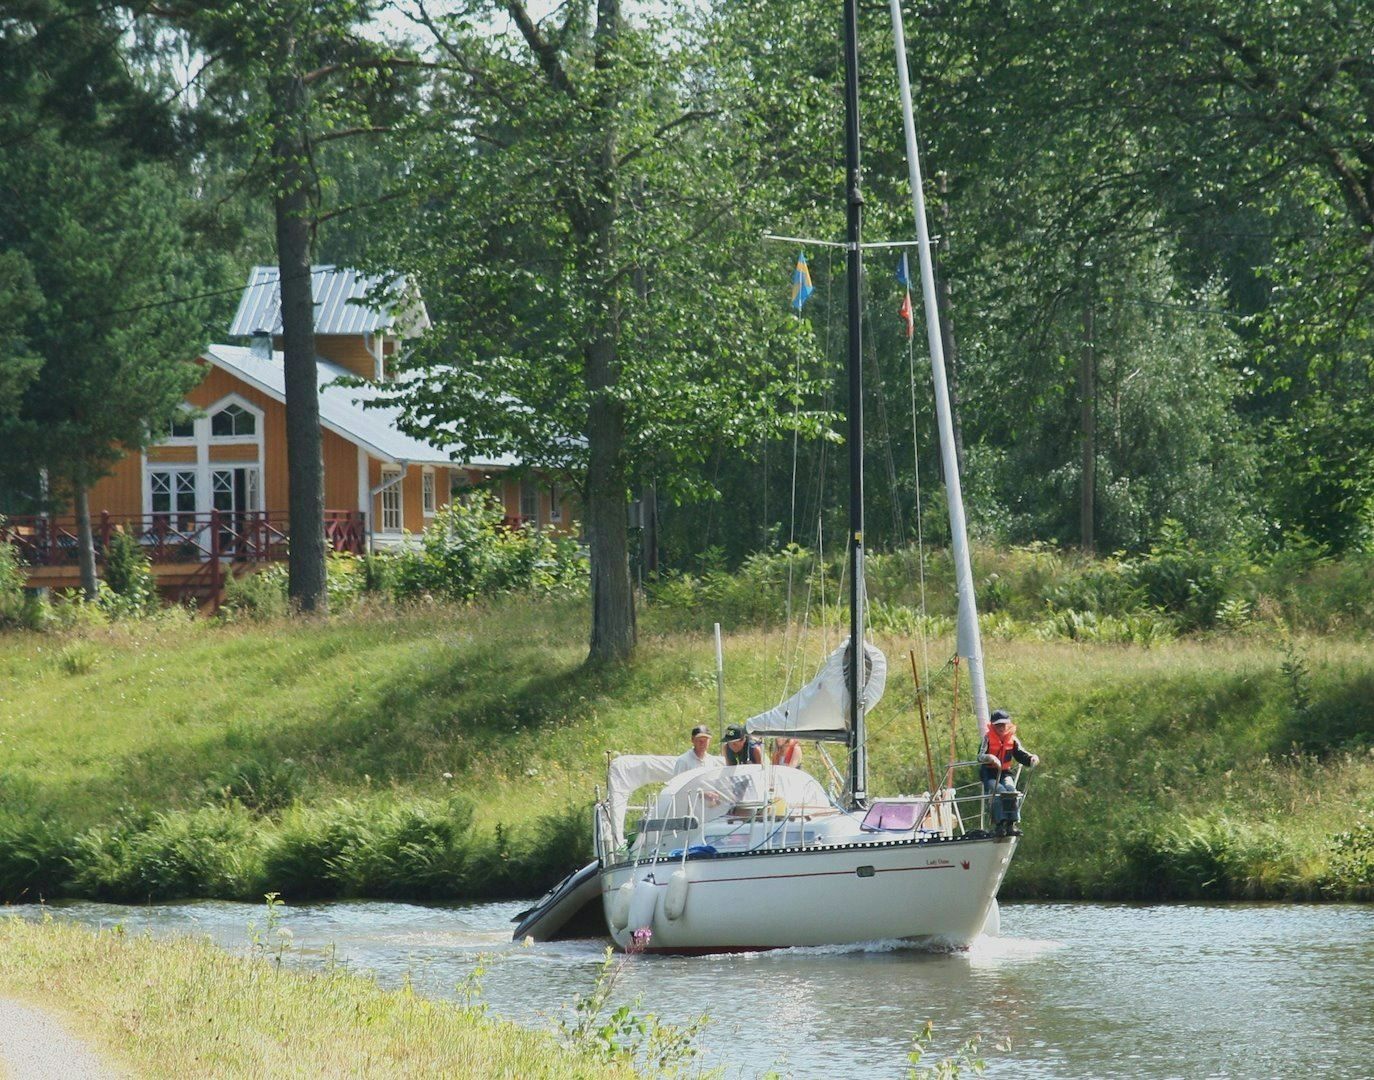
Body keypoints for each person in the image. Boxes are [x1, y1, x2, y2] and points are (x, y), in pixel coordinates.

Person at [978, 709, 1039, 837]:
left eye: (1004, 725)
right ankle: (1000, 824)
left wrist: (1031, 758)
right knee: (999, 791)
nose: (1001, 728)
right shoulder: (987, 738)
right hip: (989, 773)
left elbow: (1021, 754)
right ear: (993, 726)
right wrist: (990, 758)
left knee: (1011, 790)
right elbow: (980, 756)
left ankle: (1011, 824)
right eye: (998, 725)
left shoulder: (1012, 739)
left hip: (1004, 772)